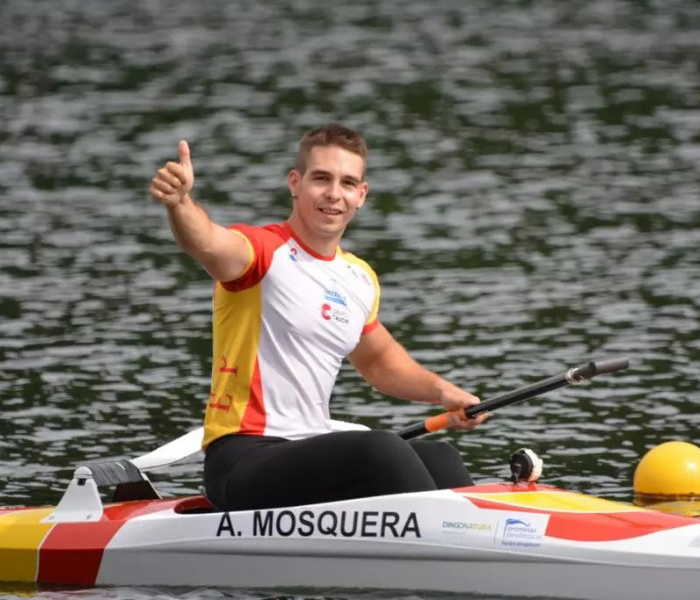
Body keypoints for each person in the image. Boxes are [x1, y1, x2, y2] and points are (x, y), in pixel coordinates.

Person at [149, 123, 486, 511]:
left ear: (361, 195)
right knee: (380, 448)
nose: (333, 194)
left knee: (442, 456)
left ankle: (485, 540)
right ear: (295, 182)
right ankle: (451, 539)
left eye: (347, 183)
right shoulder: (261, 252)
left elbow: (379, 362)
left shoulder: (358, 277)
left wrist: (444, 392)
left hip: (307, 453)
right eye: (321, 178)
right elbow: (206, 241)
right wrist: (179, 203)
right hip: (243, 458)